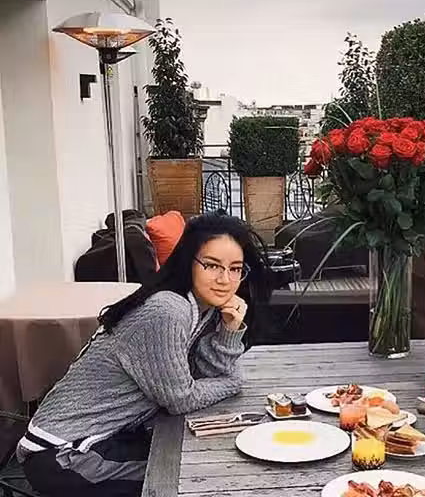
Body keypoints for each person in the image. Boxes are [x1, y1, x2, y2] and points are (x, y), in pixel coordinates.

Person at [17, 212, 272, 497]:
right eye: (212, 265)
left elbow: (206, 374)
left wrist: (229, 330)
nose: (225, 279)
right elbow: (181, 398)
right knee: (197, 476)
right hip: (64, 453)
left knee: (218, 458)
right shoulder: (168, 310)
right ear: (188, 262)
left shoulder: (203, 309)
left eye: (235, 269)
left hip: (111, 436)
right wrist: (232, 383)